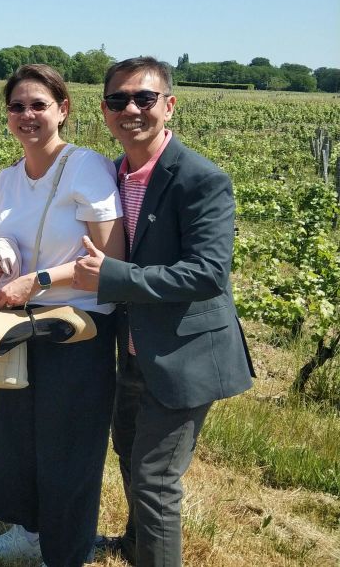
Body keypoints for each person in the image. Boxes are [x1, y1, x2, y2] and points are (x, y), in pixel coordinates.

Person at [73, 57, 254, 567]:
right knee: (129, 453)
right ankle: (135, 547)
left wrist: (113, 276)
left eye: (144, 98)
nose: (130, 109)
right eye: (118, 100)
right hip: (134, 348)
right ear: (105, 111)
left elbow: (207, 274)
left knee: (155, 478)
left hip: (184, 353)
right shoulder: (111, 175)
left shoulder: (200, 179)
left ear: (168, 105)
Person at [0, 64, 125, 567]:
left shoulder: (86, 168)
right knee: (19, 436)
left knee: (70, 446)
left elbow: (109, 261)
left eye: (39, 104)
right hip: (21, 323)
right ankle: (30, 530)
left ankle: (65, 552)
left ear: (63, 109)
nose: (27, 115)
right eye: (17, 106)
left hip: (76, 327)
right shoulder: (8, 177)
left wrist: (34, 281)